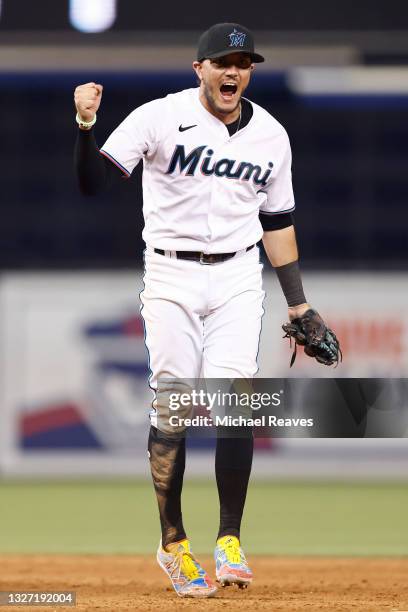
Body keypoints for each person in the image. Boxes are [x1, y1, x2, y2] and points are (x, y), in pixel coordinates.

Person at [74, 22, 329, 599]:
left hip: (239, 273)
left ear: (251, 72)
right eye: (222, 62)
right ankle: (173, 546)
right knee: (176, 404)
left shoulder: (271, 135)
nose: (233, 71)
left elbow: (278, 222)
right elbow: (93, 183)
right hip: (170, 272)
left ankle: (230, 540)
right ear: (200, 70)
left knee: (235, 397)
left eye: (243, 63)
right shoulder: (160, 117)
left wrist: (299, 303)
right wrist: (85, 125)